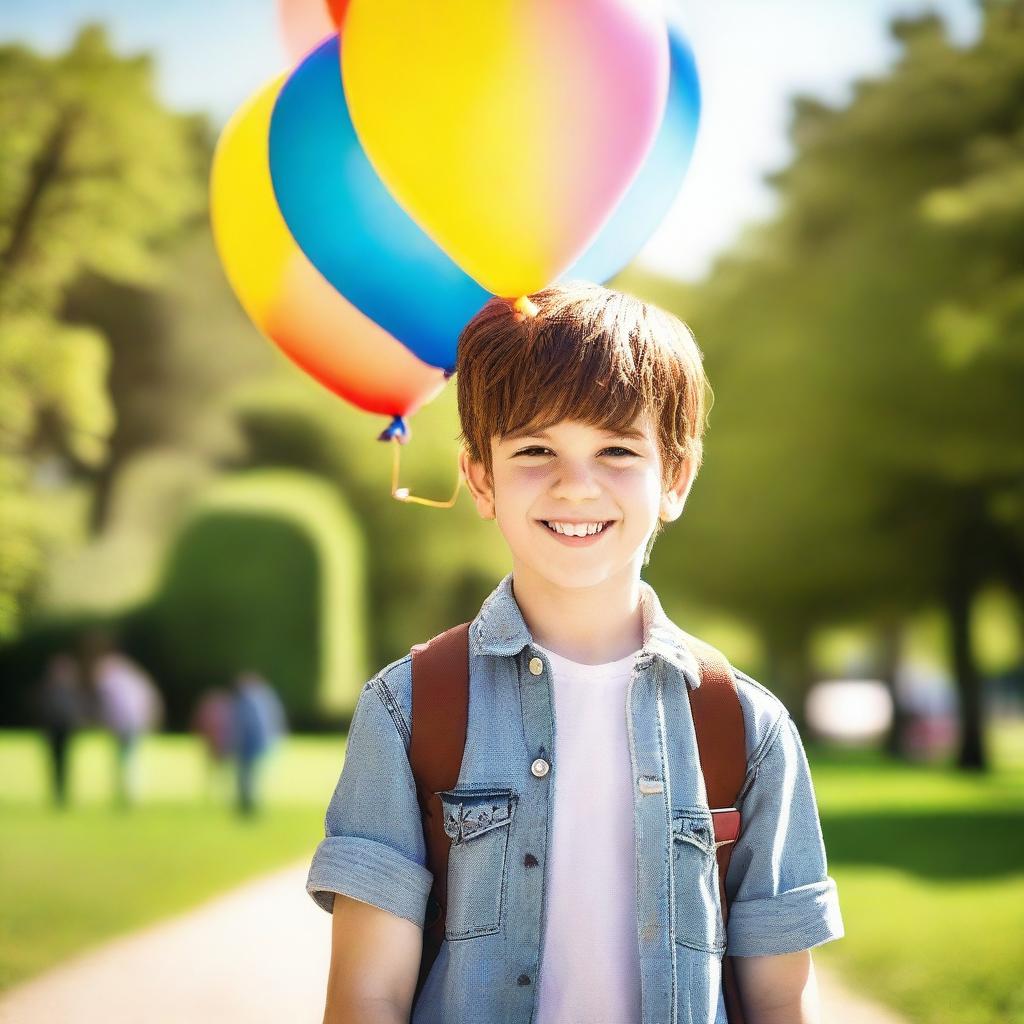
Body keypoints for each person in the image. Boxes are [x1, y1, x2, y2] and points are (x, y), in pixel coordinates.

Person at [306, 283, 845, 1024]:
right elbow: (370, 995)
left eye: (617, 450)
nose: (576, 485)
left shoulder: (746, 726)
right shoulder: (409, 708)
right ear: (480, 478)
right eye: (535, 449)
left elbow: (780, 998)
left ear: (676, 479)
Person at [87, 633, 164, 809]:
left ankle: (125, 793)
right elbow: (147, 696)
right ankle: (128, 793)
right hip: (133, 721)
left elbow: (103, 699)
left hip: (122, 722)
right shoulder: (130, 671)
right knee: (129, 759)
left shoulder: (107, 670)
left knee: (123, 759)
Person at [33, 652, 88, 808]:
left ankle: (63, 794)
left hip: (65, 729)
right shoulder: (51, 689)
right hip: (53, 729)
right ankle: (57, 794)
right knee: (55, 762)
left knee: (64, 762)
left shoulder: (70, 689)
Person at [229, 670, 287, 816]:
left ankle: (246, 805)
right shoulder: (263, 697)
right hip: (255, 744)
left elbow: (248, 725)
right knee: (248, 776)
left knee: (246, 776)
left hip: (250, 744)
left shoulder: (250, 699)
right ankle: (246, 804)